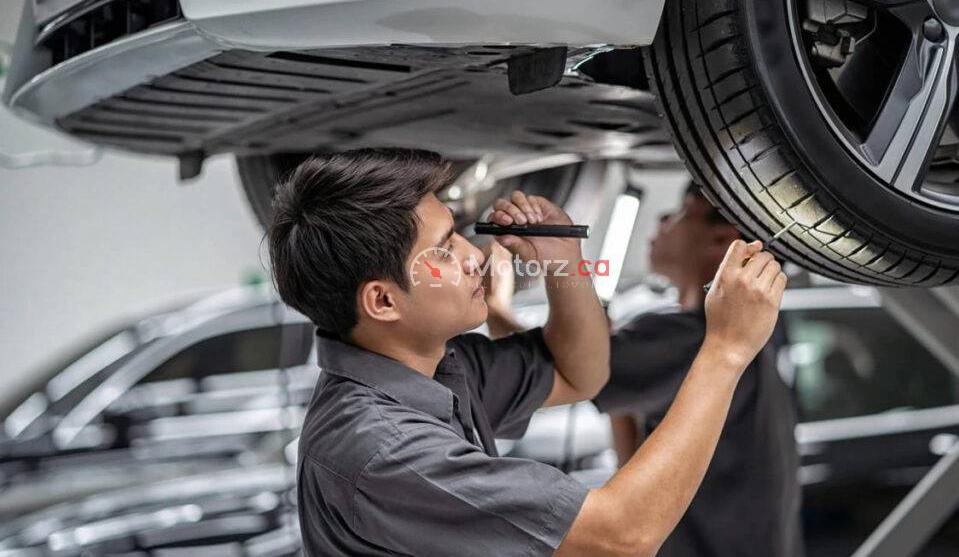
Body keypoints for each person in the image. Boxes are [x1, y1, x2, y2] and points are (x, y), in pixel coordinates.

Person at [267, 148, 786, 557]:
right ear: (382, 301)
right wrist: (726, 349)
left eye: (458, 235)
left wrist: (563, 260)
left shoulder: (441, 368)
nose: (475, 255)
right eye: (445, 249)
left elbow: (579, 374)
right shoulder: (384, 450)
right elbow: (622, 538)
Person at [487, 183, 803, 557]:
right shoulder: (732, 338)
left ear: (723, 239)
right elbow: (620, 421)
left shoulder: (689, 339)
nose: (663, 219)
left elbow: (558, 369)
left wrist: (496, 305)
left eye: (682, 210)